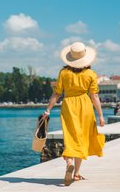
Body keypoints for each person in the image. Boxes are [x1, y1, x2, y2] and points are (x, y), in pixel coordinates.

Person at [42, 42, 105, 186]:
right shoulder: (90, 74)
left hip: (68, 105)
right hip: (85, 106)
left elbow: (56, 93)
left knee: (70, 136)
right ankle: (76, 174)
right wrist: (101, 116)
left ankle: (69, 161)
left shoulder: (64, 73)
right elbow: (94, 96)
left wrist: (48, 110)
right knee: (81, 138)